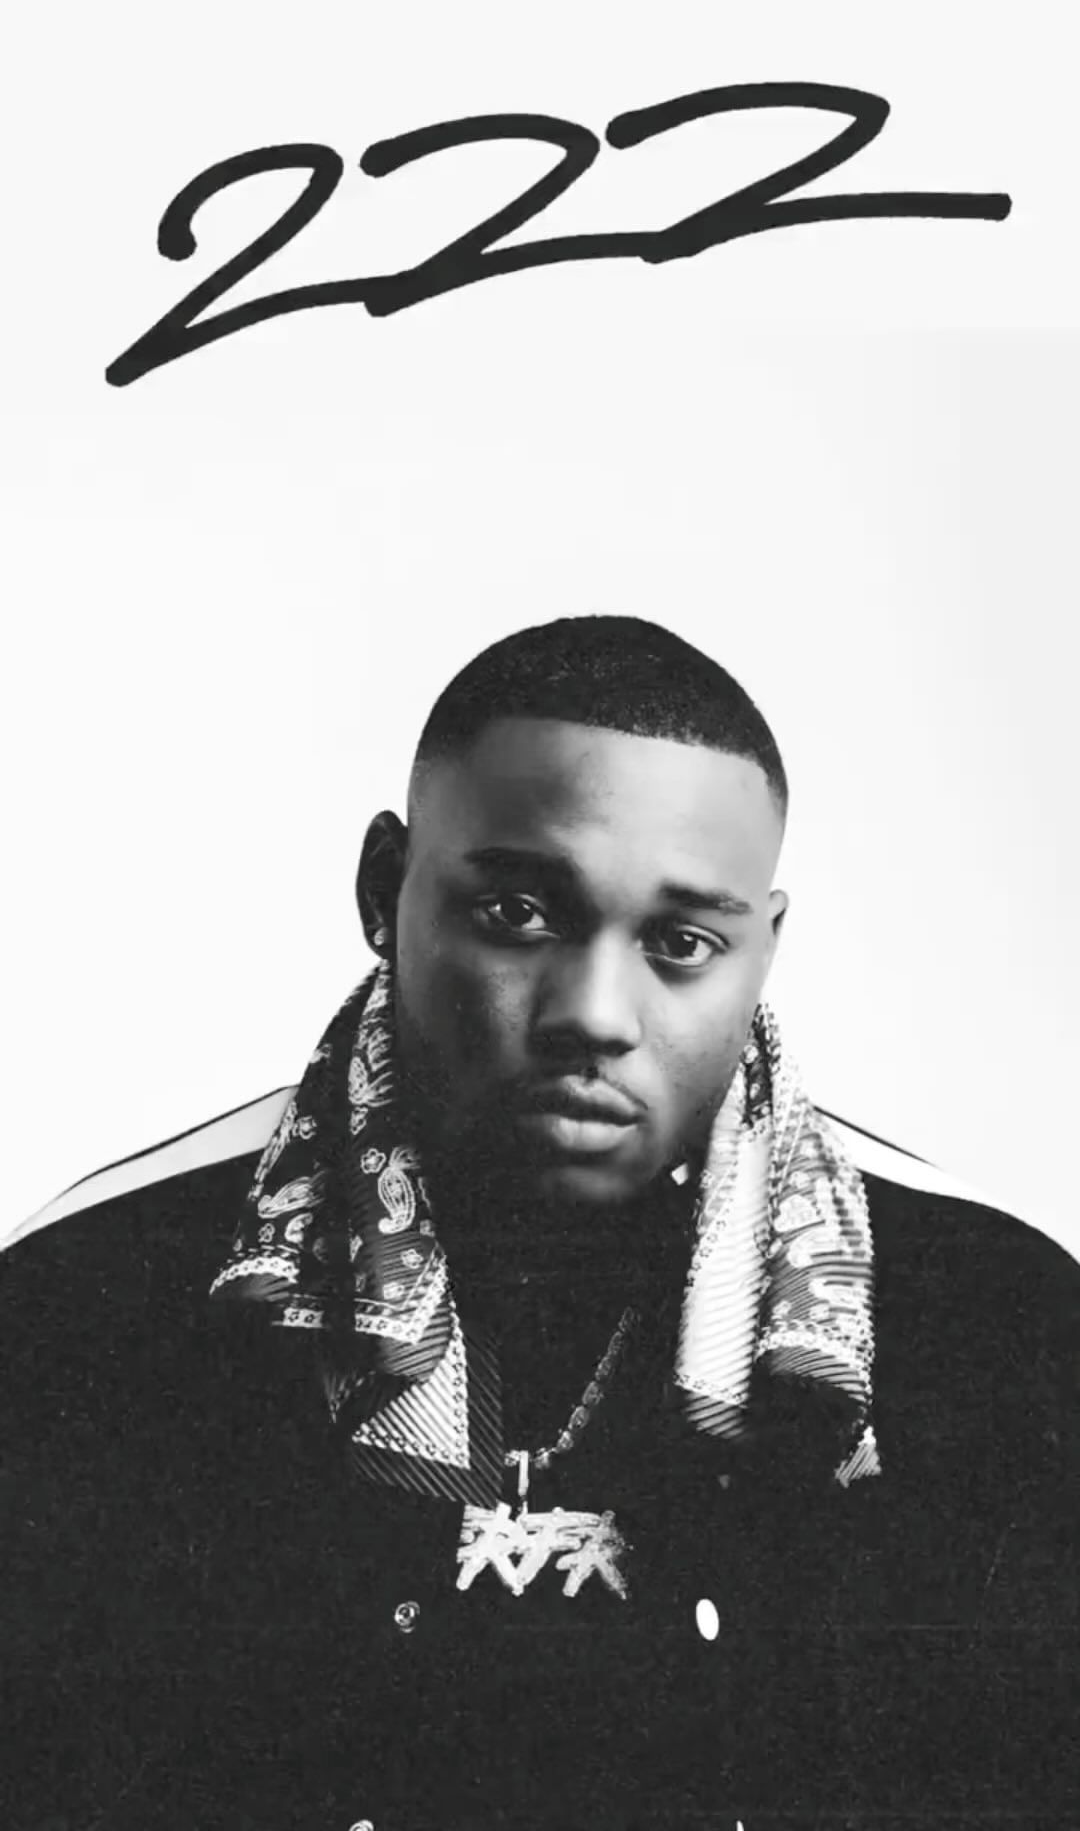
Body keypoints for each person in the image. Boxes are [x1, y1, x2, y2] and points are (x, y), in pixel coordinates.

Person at [2, 614, 1078, 1831]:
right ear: (384, 889)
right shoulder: (83, 1297)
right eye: (519, 912)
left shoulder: (999, 1316)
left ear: (764, 950)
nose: (596, 1013)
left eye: (682, 943)